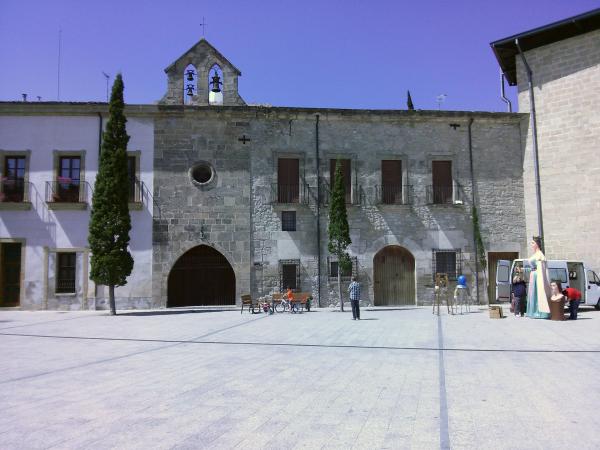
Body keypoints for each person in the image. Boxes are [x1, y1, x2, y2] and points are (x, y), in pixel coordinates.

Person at [526, 236, 551, 319]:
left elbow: (542, 268)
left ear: (537, 244)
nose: (531, 244)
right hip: (533, 275)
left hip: (538, 276)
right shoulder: (535, 254)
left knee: (538, 293)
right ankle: (532, 311)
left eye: (533, 243)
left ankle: (538, 312)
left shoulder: (540, 255)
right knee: (533, 293)